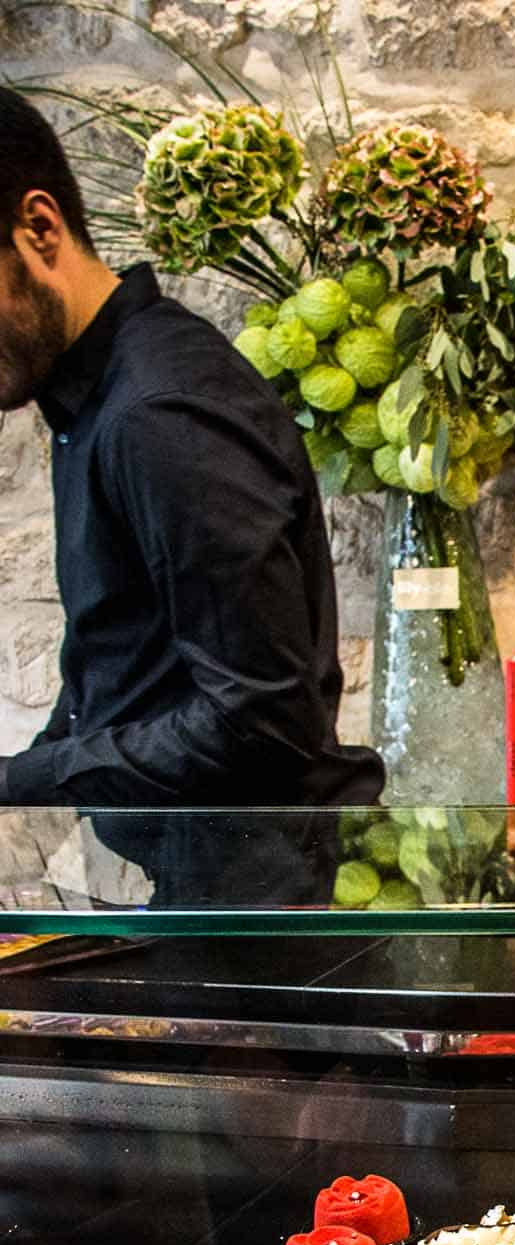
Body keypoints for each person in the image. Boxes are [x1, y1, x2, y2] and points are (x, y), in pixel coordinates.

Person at [0, 87, 382, 821]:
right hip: (193, 887)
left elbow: (261, 722)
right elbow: (129, 672)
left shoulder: (157, 414)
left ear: (39, 228)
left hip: (246, 908)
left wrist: (23, 780)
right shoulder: (96, 397)